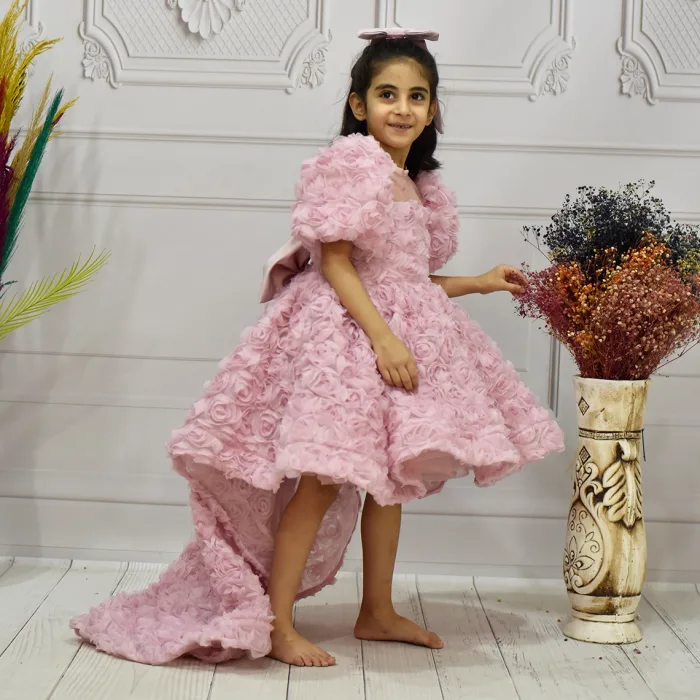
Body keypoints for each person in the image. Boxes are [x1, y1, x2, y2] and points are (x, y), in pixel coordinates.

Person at [70, 28, 565, 669]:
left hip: (395, 336)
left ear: (433, 109)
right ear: (359, 104)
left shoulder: (417, 184)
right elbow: (335, 263)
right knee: (321, 481)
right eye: (387, 94)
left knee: (391, 481)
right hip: (346, 341)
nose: (402, 108)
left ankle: (376, 609)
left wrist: (479, 281)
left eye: (417, 96)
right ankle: (277, 623)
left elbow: (408, 281)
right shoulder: (351, 166)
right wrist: (383, 338)